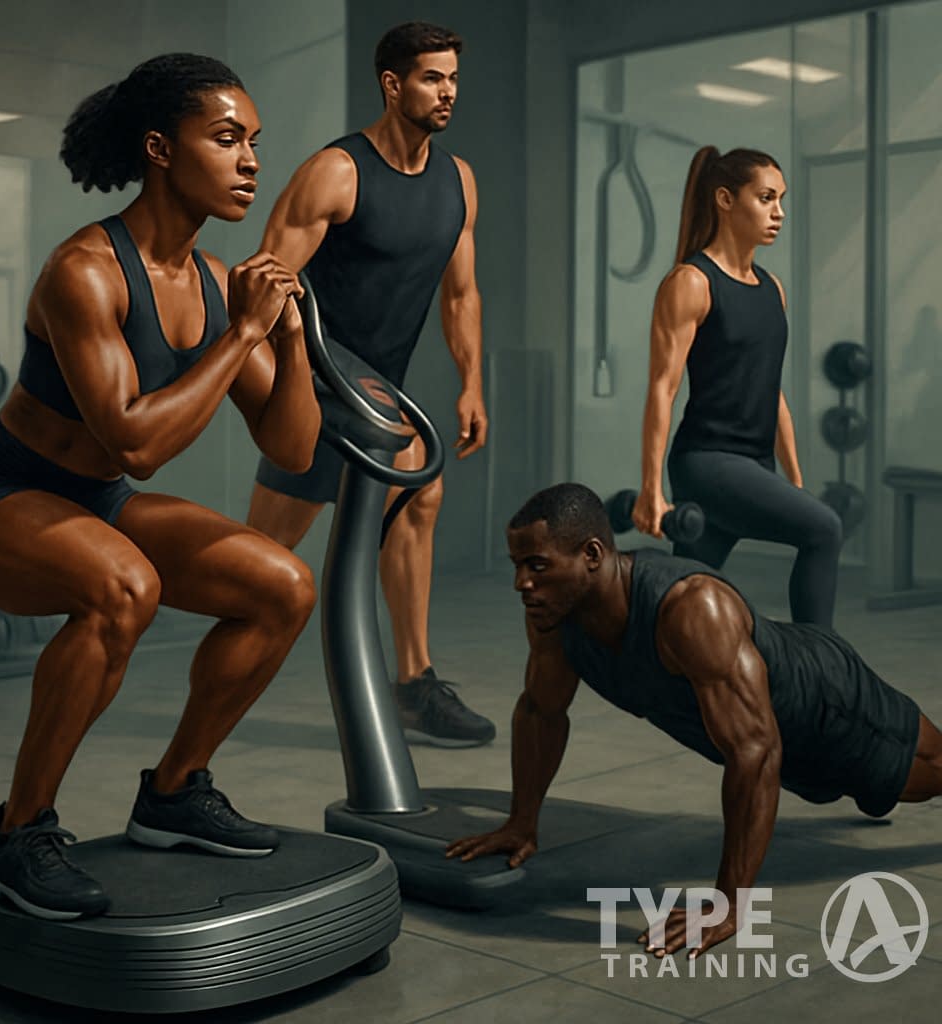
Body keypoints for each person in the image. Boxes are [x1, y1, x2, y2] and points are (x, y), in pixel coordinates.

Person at [0, 53, 322, 921]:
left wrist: (285, 339)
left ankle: (174, 794)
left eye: (254, 141)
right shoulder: (86, 272)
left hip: (90, 501)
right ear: (159, 149)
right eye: (225, 138)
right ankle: (16, 836)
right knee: (122, 587)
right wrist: (244, 333)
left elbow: (291, 448)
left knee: (281, 587)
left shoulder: (216, 285)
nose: (251, 160)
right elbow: (136, 442)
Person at [447, 483, 942, 957]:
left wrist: (728, 904)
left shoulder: (691, 609)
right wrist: (521, 823)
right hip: (778, 737)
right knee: (860, 796)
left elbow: (755, 751)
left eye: (537, 566)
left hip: (830, 705)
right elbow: (541, 710)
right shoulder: (554, 614)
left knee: (927, 776)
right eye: (518, 567)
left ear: (592, 555)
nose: (522, 584)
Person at [245, 21, 495, 747]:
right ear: (392, 85)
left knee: (421, 491)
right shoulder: (337, 172)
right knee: (261, 558)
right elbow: (265, 282)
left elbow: (460, 295)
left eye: (451, 78)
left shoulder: (458, 181)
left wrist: (471, 383)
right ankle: (211, 654)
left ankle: (414, 682)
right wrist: (285, 386)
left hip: (384, 389)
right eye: (431, 79)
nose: (447, 93)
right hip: (318, 381)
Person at [632, 146, 842, 628]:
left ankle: (641, 669)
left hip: (752, 465)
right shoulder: (691, 282)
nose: (779, 212)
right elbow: (662, 388)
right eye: (766, 198)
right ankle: (824, 671)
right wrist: (652, 489)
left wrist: (793, 479)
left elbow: (771, 389)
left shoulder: (772, 288)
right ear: (725, 199)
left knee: (676, 602)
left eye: (781, 199)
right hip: (708, 464)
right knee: (824, 530)